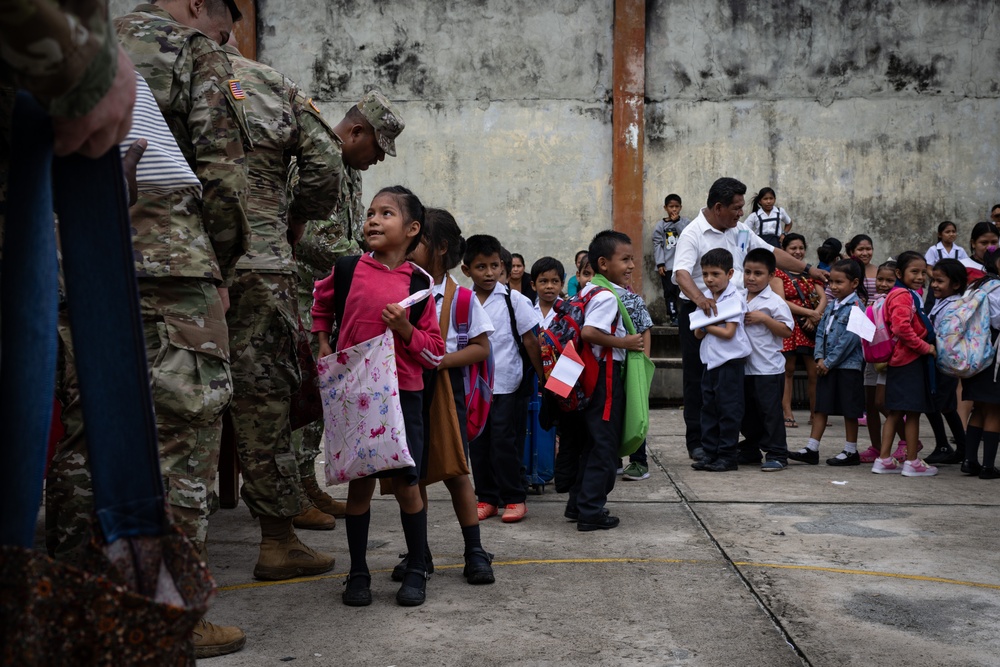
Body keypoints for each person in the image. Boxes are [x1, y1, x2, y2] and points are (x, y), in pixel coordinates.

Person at [47, 0, 250, 656]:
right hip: (168, 268)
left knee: (80, 448)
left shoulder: (61, 33)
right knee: (181, 457)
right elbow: (225, 177)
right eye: (225, 28)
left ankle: (83, 616)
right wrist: (212, 257)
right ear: (199, 7)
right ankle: (168, 623)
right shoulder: (191, 50)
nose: (225, 39)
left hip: (62, 257)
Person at [220, 40, 344, 576]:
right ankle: (275, 540)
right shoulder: (266, 81)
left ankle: (153, 554)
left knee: (166, 404)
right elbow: (324, 162)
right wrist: (291, 221)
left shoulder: (126, 61)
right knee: (264, 397)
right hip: (258, 255)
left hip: (161, 253)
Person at [311, 186, 445, 607]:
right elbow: (320, 304)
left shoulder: (421, 285)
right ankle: (358, 572)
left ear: (411, 229)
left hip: (404, 395)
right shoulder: (349, 269)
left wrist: (406, 330)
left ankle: (418, 567)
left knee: (408, 484)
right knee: (359, 486)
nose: (372, 219)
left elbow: (434, 351)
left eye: (386, 213)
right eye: (370, 213)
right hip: (358, 393)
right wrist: (322, 344)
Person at [290, 89, 405, 528]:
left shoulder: (347, 167)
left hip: (331, 299)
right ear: (357, 131)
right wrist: (370, 267)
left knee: (320, 397)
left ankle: (306, 481)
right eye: (377, 148)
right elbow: (314, 238)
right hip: (302, 298)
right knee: (299, 398)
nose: (378, 159)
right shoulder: (317, 161)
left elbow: (349, 235)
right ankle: (290, 493)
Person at [673, 177, 827, 460]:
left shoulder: (739, 230)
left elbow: (772, 254)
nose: (741, 213)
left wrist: (808, 269)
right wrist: (701, 300)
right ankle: (698, 442)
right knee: (701, 380)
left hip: (737, 312)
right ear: (718, 207)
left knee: (736, 380)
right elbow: (682, 273)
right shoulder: (693, 233)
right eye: (736, 207)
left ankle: (736, 442)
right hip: (702, 314)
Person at [396, 207, 496, 585]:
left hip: (445, 394)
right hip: (410, 392)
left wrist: (439, 361)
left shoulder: (462, 299)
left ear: (438, 248)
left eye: (415, 239)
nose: (406, 244)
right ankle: (419, 554)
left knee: (456, 472)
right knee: (413, 475)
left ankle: (474, 550)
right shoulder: (402, 288)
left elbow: (481, 348)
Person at [462, 235, 543, 524]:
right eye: (481, 267)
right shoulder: (463, 300)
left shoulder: (514, 300)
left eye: (494, 266)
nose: (489, 273)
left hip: (507, 384)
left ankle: (514, 497)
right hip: (473, 387)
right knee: (478, 443)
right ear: (466, 270)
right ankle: (486, 498)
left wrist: (542, 380)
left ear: (502, 267)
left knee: (504, 443)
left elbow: (531, 342)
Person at [568, 231, 642, 528]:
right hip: (604, 379)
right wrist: (626, 343)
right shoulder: (607, 296)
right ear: (603, 263)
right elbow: (590, 333)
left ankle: (578, 504)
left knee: (589, 443)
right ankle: (591, 511)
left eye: (632, 259)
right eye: (624, 259)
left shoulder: (587, 291)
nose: (631, 266)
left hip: (585, 377)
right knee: (604, 447)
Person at [788, 259, 866, 467]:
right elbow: (821, 331)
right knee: (821, 407)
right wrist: (819, 357)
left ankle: (851, 450)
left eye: (839, 282)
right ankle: (812, 448)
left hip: (847, 367)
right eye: (831, 282)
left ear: (854, 283)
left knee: (849, 410)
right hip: (826, 364)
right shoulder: (832, 305)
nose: (833, 287)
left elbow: (850, 339)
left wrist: (829, 361)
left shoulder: (857, 307)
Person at [872, 251, 939, 477]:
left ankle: (884, 459)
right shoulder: (902, 295)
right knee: (912, 413)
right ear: (900, 273)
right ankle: (912, 461)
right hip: (909, 360)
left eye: (923, 272)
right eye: (914, 272)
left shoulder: (904, 293)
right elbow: (901, 328)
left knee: (895, 412)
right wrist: (925, 347)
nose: (920, 276)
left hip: (900, 361)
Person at [690, 248, 751, 472]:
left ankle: (727, 455)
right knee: (709, 408)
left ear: (730, 273)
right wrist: (703, 326)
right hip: (710, 362)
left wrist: (706, 326)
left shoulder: (733, 299)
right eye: (705, 274)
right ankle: (710, 452)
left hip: (729, 363)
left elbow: (728, 333)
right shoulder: (707, 299)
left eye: (715, 274)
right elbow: (697, 333)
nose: (709, 279)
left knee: (728, 410)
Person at [739, 248, 794, 470]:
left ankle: (777, 453)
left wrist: (764, 319)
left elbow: (787, 331)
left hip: (767, 369)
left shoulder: (775, 302)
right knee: (747, 413)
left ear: (771, 276)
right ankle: (751, 449)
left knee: (770, 412)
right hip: (744, 368)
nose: (751, 278)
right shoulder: (737, 296)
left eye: (758, 273)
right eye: (748, 272)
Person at [775, 233, 827, 429]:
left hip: (809, 325)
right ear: (785, 251)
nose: (797, 252)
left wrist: (816, 315)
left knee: (813, 372)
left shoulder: (811, 272)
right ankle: (787, 413)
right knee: (787, 370)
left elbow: (823, 297)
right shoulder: (778, 273)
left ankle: (816, 414)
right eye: (792, 249)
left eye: (800, 248)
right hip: (789, 324)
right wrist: (810, 313)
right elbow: (780, 301)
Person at [960, 248, 1000, 479]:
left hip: (974, 352)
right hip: (994, 352)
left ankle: (969, 460)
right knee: (995, 409)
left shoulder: (978, 285)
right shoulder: (997, 288)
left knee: (979, 407)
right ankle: (987, 466)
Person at [923, 259, 968, 465]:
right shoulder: (943, 301)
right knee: (947, 406)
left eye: (939, 281)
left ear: (956, 284)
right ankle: (963, 446)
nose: (934, 285)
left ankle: (943, 444)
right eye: (933, 280)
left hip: (943, 363)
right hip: (941, 363)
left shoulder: (954, 305)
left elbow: (944, 334)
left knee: (933, 404)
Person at [858, 261, 899, 463]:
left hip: (888, 359)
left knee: (882, 402)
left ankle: (907, 441)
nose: (883, 284)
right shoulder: (873, 301)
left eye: (889, 280)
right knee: (871, 403)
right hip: (872, 357)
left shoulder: (899, 300)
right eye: (880, 279)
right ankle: (875, 447)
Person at [619, 284, 655, 481]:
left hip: (631, 364)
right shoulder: (585, 299)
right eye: (585, 273)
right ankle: (613, 459)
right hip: (604, 368)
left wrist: (644, 362)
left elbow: (644, 329)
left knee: (635, 412)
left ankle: (639, 460)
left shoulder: (632, 299)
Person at [652, 193, 691, 324]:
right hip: (668, 266)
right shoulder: (660, 226)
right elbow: (657, 245)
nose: (674, 209)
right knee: (670, 292)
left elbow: (687, 236)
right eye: (671, 206)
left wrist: (677, 222)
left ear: (681, 207)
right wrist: (660, 263)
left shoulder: (685, 223)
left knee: (685, 291)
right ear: (665, 208)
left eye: (676, 206)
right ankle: (673, 315)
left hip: (684, 265)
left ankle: (685, 316)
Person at [531, 257, 566, 329]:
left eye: (555, 281)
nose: (549, 286)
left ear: (561, 285)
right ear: (533, 285)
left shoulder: (568, 313)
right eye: (544, 281)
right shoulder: (530, 313)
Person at [845, 234, 878, 303]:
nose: (865, 253)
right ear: (852, 252)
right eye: (860, 249)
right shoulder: (844, 271)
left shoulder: (879, 271)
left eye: (868, 249)